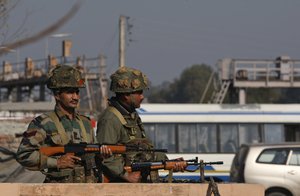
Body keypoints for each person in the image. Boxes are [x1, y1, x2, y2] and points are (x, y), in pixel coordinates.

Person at [16, 64, 111, 183]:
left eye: (77, 92)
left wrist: (101, 156)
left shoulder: (86, 123)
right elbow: (24, 155)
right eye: (70, 92)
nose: (75, 97)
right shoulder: (43, 123)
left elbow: (92, 156)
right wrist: (57, 162)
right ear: (57, 95)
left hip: (87, 189)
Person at [96, 66, 186, 183]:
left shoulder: (132, 116)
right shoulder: (110, 119)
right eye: (139, 92)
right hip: (121, 187)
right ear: (126, 95)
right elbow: (105, 156)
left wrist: (169, 162)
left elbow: (144, 151)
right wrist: (125, 175)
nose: (142, 96)